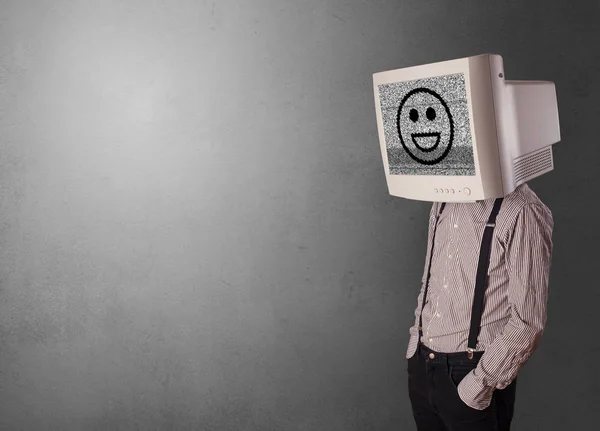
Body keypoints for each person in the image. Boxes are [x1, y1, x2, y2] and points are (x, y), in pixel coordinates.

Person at [406, 182, 554, 431]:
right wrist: (414, 346)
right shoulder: (443, 199)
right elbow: (431, 280)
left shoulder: (522, 209)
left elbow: (528, 322)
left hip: (471, 372)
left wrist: (478, 384)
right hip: (422, 366)